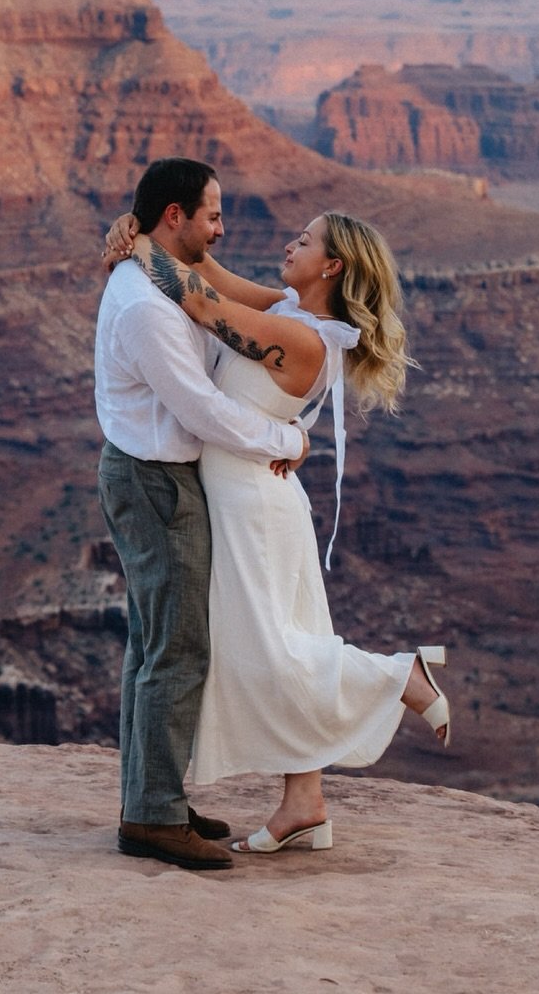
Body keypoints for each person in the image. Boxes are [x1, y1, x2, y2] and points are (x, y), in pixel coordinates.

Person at [102, 197, 451, 856]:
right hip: (254, 496)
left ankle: (399, 676)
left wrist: (140, 244)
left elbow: (199, 300)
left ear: (333, 266)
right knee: (286, 639)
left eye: (304, 240)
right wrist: (142, 230)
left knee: (269, 652)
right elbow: (214, 276)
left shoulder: (301, 338)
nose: (289, 245)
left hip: (252, 506)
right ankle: (304, 805)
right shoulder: (290, 312)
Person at [94, 157, 312, 872]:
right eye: (212, 215)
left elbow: (241, 299)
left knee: (154, 644)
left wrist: (136, 238)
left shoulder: (163, 278)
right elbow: (202, 410)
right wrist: (288, 441)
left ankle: (151, 799)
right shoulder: (147, 306)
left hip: (157, 476)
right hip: (156, 483)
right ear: (174, 216)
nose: (221, 229)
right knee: (177, 649)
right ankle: (152, 817)